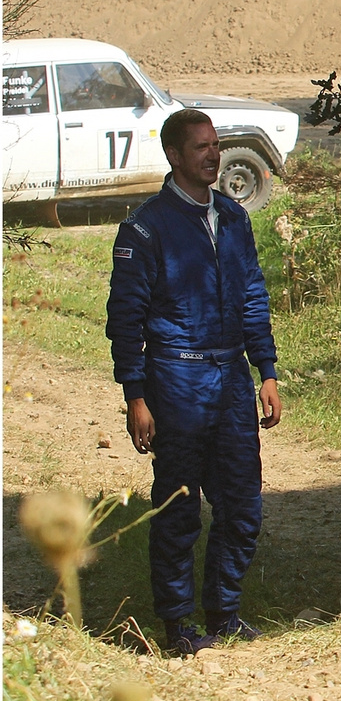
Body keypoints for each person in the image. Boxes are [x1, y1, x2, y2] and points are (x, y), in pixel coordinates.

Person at [107, 108, 281, 655]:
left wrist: (266, 371)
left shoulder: (233, 218)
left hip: (230, 376)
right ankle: (178, 624)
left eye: (216, 145)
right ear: (174, 156)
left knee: (243, 505)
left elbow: (253, 296)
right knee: (179, 507)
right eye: (201, 147)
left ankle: (224, 611)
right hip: (176, 377)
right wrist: (136, 396)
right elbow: (125, 320)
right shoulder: (145, 227)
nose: (213, 154)